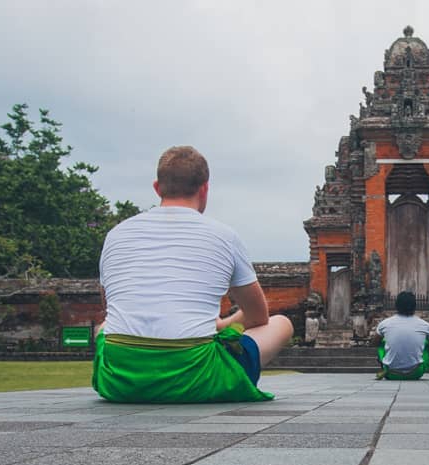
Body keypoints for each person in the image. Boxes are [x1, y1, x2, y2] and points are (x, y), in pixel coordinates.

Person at [92, 145, 294, 403]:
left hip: (120, 380)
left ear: (157, 188)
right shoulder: (224, 236)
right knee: (281, 324)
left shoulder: (116, 235)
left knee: (104, 327)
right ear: (205, 188)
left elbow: (112, 309)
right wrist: (221, 324)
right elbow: (257, 316)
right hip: (198, 378)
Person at [370, 291, 429, 380]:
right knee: (425, 343)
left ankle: (387, 365)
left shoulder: (384, 324)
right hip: (416, 373)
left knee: (382, 344)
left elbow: (374, 344)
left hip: (390, 373)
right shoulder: (425, 325)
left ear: (396, 305)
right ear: (414, 306)